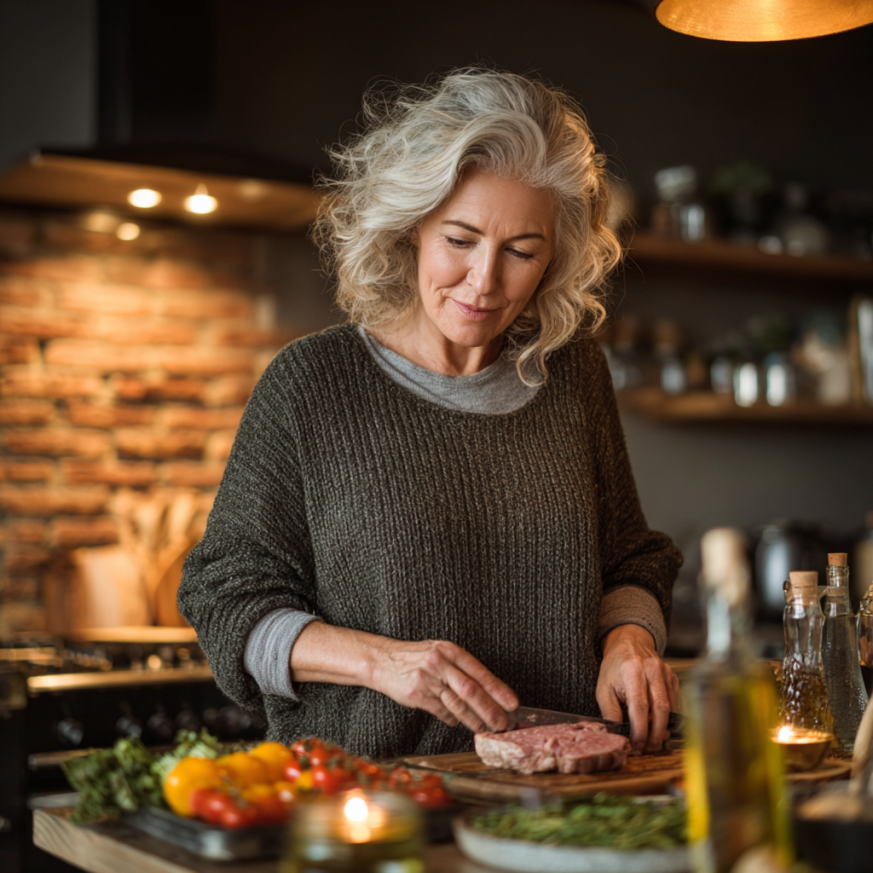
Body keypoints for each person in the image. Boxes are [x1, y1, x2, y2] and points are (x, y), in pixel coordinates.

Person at [178, 67, 683, 760]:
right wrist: (382, 663)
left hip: (562, 792)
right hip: (369, 799)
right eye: (460, 238)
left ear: (553, 259)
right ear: (413, 225)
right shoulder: (311, 385)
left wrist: (628, 639)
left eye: (520, 251)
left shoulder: (572, 375)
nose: (483, 280)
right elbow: (224, 600)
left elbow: (631, 559)